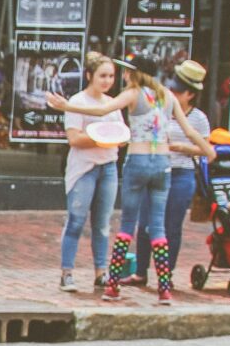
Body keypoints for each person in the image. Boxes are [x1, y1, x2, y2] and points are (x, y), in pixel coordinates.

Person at [106, 65, 178, 304]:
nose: (125, 75)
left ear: (134, 73)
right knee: (158, 229)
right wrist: (207, 150)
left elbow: (104, 108)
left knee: (127, 224)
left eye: (127, 71)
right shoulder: (167, 95)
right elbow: (186, 129)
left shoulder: (133, 93)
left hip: (137, 160)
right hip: (162, 162)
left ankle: (113, 285)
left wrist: (67, 106)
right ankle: (164, 289)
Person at [57, 54, 126, 292]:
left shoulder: (112, 104)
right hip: (84, 168)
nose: (107, 81)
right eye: (102, 76)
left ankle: (101, 272)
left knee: (103, 223)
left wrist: (114, 139)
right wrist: (103, 138)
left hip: (108, 166)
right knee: (76, 220)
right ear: (89, 76)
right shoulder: (77, 101)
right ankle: (67, 272)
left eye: (111, 76)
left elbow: (121, 135)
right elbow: (74, 138)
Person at [140, 60, 212, 287]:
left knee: (172, 225)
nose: (172, 93)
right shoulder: (158, 108)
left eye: (179, 91)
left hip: (182, 172)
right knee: (145, 223)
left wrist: (183, 148)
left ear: (190, 95)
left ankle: (165, 274)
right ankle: (141, 271)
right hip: (156, 168)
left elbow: (206, 149)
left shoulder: (198, 118)